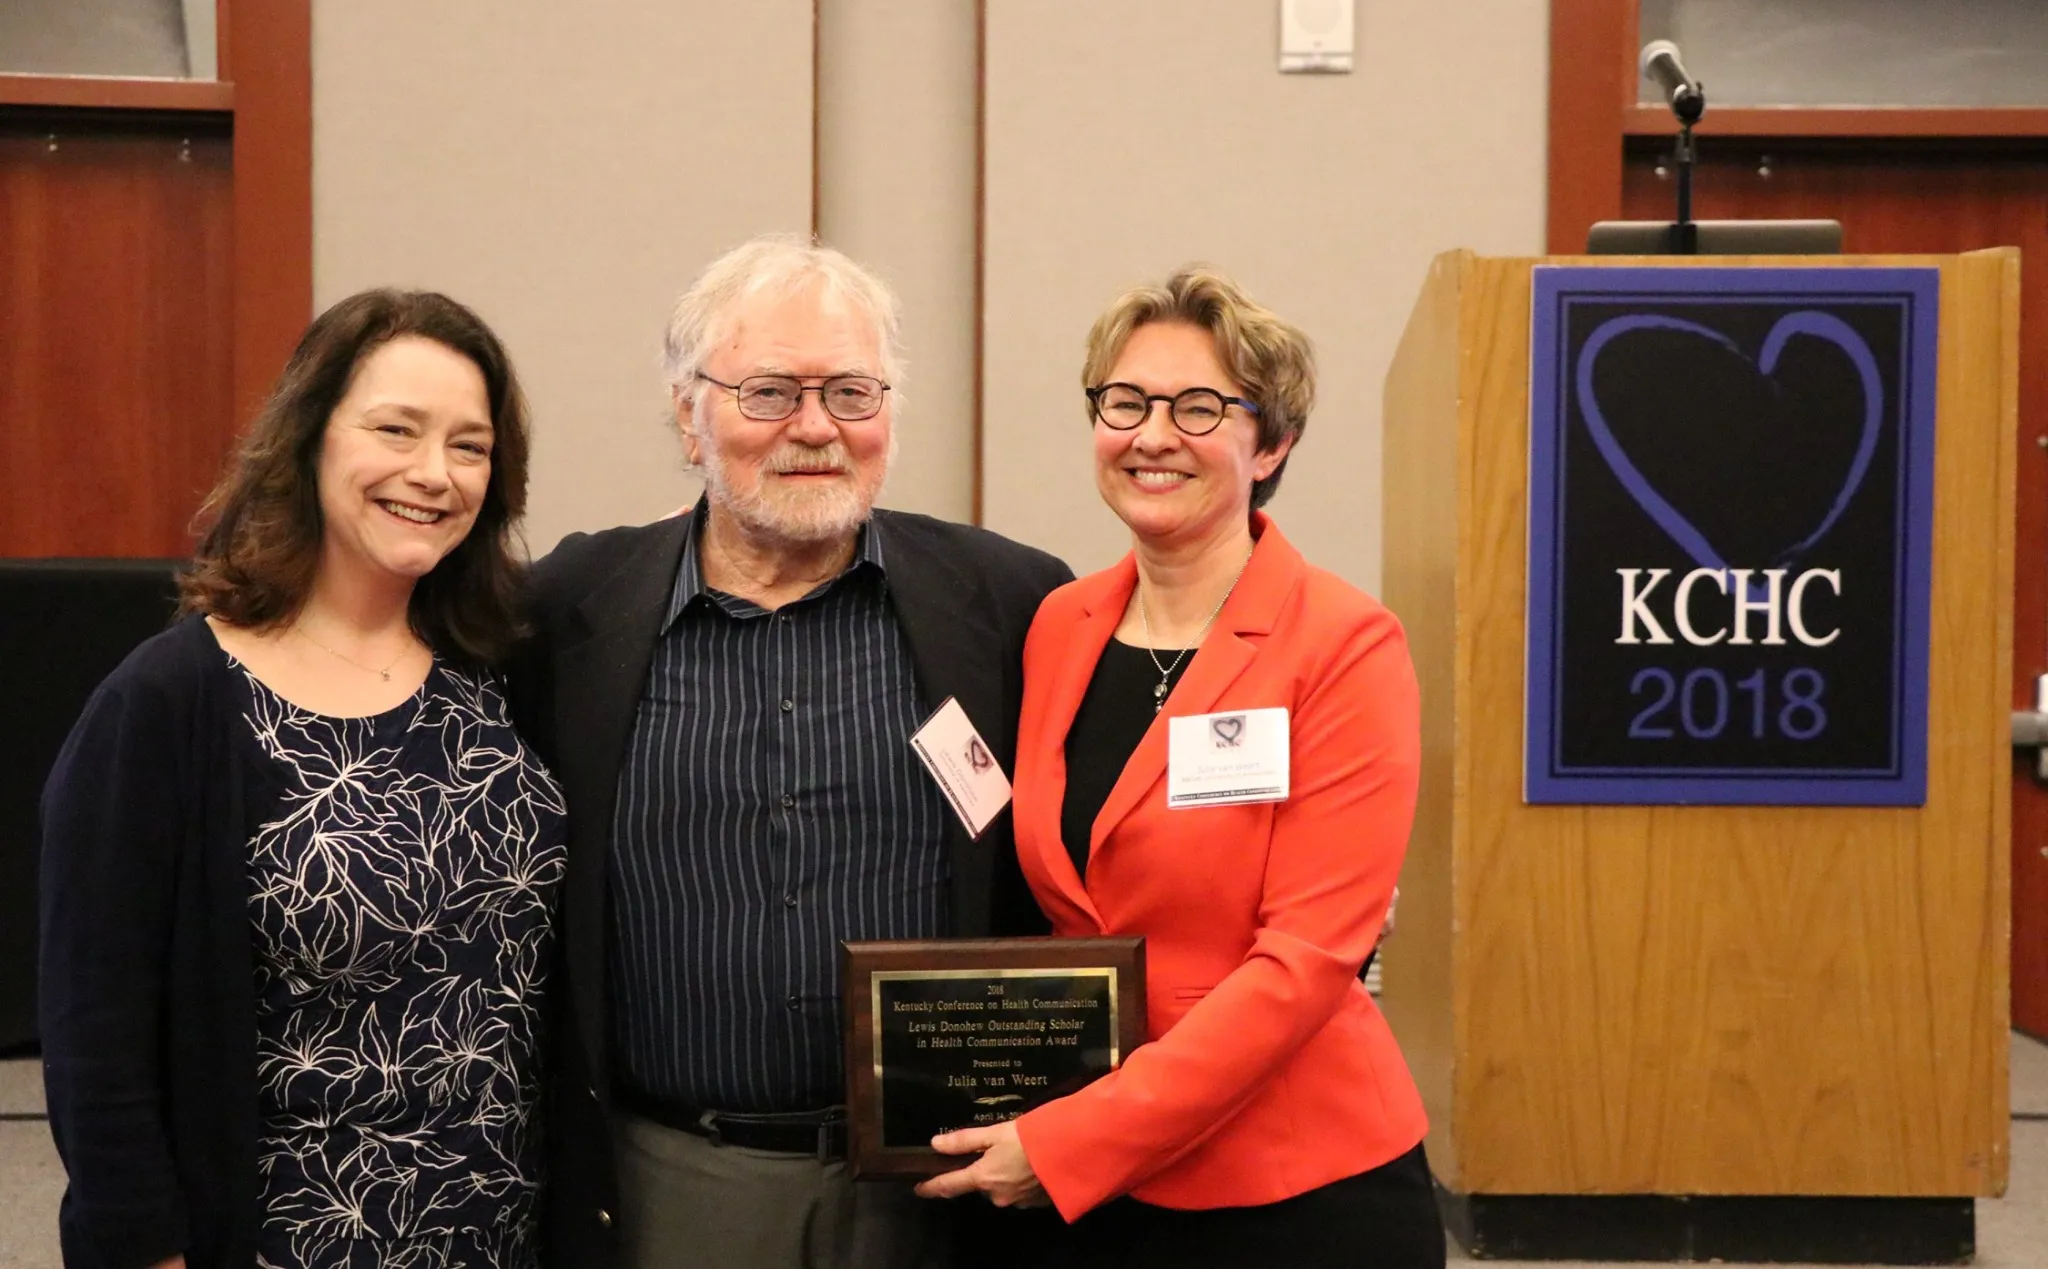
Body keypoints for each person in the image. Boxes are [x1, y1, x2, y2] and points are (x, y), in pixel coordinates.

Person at [514, 235, 1071, 1269]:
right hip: (676, 1185)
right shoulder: (564, 616)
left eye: (852, 392)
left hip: (950, 1184)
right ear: (688, 414)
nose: (815, 428)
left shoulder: (1013, 602)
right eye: (769, 391)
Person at [918, 267, 1445, 1268]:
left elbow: (1300, 968)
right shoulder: (1058, 627)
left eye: (1199, 407)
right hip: (1093, 1187)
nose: (1151, 435)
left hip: (1293, 1190)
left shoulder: (1343, 644)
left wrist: (1075, 1139)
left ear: (1272, 442)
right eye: (1125, 402)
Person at [38, 290, 564, 1269]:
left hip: (504, 1237)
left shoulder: (496, 671)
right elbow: (94, 1041)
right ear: (310, 438)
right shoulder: (171, 703)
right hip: (282, 1240)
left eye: (469, 446)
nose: (432, 474)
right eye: (394, 430)